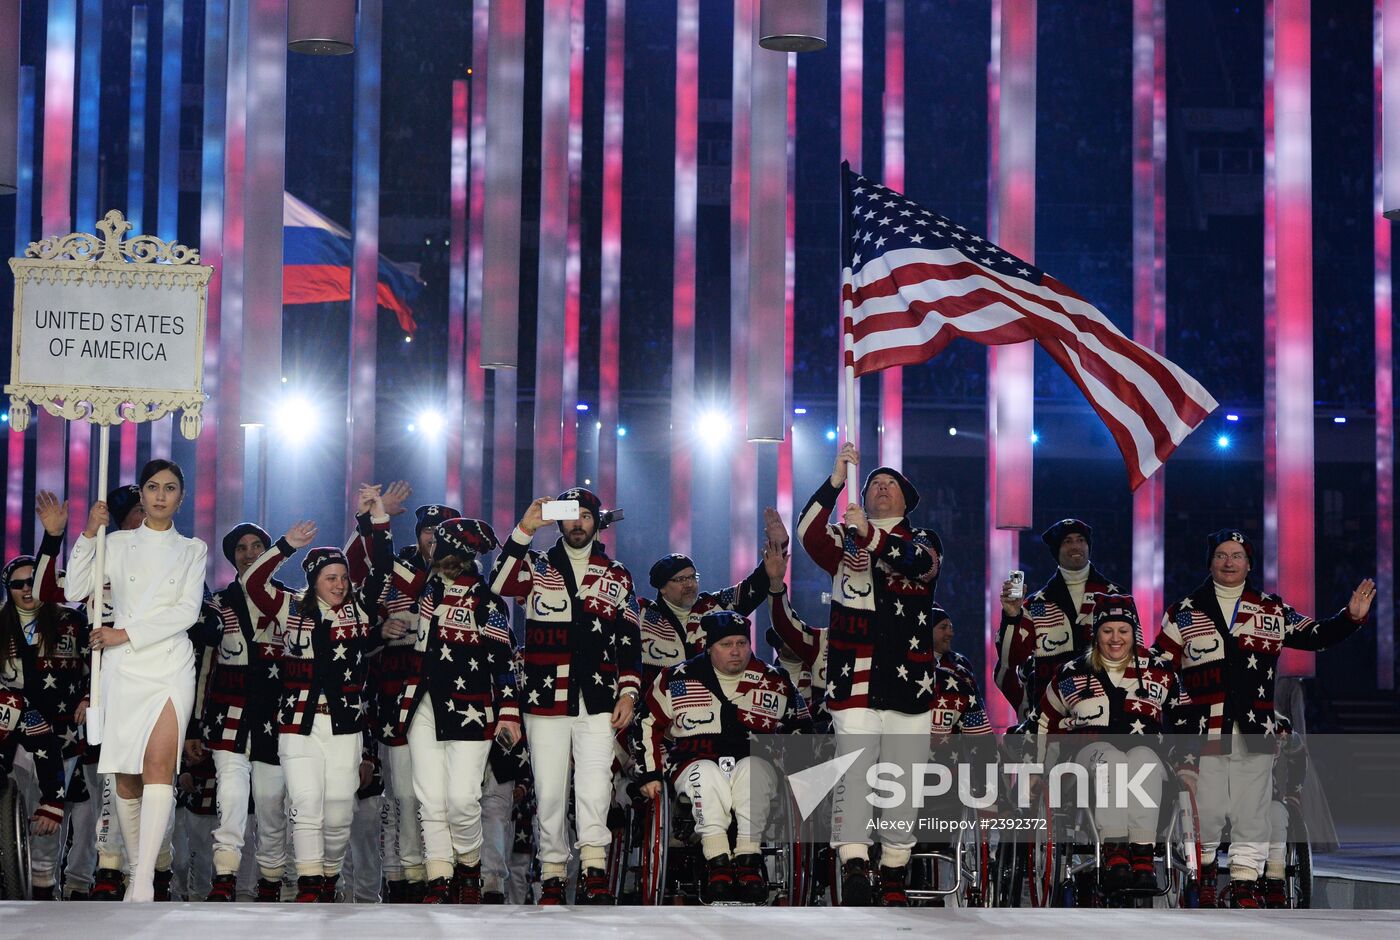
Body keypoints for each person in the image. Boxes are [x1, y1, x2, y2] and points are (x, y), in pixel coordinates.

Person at [1151, 529, 1374, 908]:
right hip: (1201, 731)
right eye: (1221, 555)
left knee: (1252, 811)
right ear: (1210, 561)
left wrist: (1349, 619)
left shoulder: (1270, 608)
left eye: (1237, 555)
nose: (1229, 562)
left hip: (1255, 730)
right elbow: (1160, 669)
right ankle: (1202, 878)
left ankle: (1242, 883)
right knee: (1207, 808)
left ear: (1249, 564)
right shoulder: (1183, 611)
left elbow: (1315, 635)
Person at [796, 443, 944, 905]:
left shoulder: (924, 540)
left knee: (902, 779)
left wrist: (874, 536)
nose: (880, 488)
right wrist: (835, 480)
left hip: (910, 682)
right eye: (872, 484)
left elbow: (920, 565)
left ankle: (895, 869)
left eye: (890, 485)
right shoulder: (844, 540)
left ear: (905, 501)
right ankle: (855, 862)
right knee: (854, 771)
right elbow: (806, 532)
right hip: (853, 676)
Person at [490, 486, 641, 904]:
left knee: (595, 786)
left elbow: (630, 639)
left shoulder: (617, 574)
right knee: (551, 790)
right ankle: (553, 872)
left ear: (596, 522)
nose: (578, 524)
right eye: (570, 516)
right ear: (558, 521)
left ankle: (594, 868)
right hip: (545, 697)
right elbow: (498, 583)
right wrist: (524, 529)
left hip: (598, 698)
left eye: (586, 517)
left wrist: (629, 691)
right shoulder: (537, 566)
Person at [66, 459, 208, 903]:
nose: (161, 495)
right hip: (124, 667)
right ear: (142, 495)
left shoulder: (193, 549)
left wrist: (123, 632)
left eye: (169, 488)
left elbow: (186, 611)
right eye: (152, 487)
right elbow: (74, 590)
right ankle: (133, 867)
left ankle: (145, 877)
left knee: (159, 767)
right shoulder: (118, 541)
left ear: (181, 498)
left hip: (168, 662)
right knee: (126, 777)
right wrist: (90, 532)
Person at [241, 486, 393, 902]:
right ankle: (310, 884)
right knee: (306, 802)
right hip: (297, 723)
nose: (341, 584)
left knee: (340, 808)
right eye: (331, 578)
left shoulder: (359, 610)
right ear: (313, 581)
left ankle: (328, 878)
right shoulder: (290, 608)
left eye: (343, 577)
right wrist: (286, 545)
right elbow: (251, 580)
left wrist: (377, 520)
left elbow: (383, 570)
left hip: (345, 725)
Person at [639, 610, 811, 904]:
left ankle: (748, 861)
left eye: (742, 643)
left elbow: (803, 730)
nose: (736, 651)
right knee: (706, 774)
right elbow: (646, 725)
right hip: (693, 762)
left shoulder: (776, 680)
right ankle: (717, 863)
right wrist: (652, 774)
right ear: (709, 647)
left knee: (753, 769)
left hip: (756, 763)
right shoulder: (675, 678)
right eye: (726, 644)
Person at [1034, 593, 1195, 893]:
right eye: (1107, 630)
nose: (1115, 638)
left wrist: (1187, 766)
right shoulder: (1072, 672)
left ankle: (1143, 857)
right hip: (1087, 759)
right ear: (1096, 633)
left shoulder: (1159, 670)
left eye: (1123, 630)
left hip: (1147, 758)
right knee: (1111, 758)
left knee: (1143, 757)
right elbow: (1043, 721)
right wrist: (1036, 769)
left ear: (1134, 632)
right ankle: (1116, 853)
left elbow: (1186, 720)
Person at [34, 485, 149, 900]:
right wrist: (56, 537)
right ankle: (98, 873)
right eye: (136, 511)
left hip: (150, 688)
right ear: (121, 520)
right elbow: (49, 592)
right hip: (100, 696)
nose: (144, 516)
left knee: (143, 786)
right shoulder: (104, 557)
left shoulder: (176, 556)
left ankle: (141, 870)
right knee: (103, 788)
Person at [404, 517, 521, 903]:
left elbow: (504, 662)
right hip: (424, 705)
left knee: (461, 799)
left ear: (457, 554)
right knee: (430, 798)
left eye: (439, 545)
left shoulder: (486, 602)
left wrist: (508, 713)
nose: (432, 551)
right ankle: (440, 875)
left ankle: (468, 867)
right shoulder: (428, 590)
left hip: (472, 708)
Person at [349, 489, 440, 903]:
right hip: (395, 695)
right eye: (428, 531)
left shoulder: (470, 582)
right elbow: (357, 580)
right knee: (403, 790)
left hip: (448, 699)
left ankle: (446, 870)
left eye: (444, 531)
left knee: (442, 791)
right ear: (418, 536)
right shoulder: (397, 573)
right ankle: (405, 875)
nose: (435, 538)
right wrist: (370, 521)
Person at [191, 522, 290, 901]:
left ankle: (270, 881)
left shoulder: (290, 602)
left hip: (276, 720)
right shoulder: (217, 604)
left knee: (270, 804)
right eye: (242, 548)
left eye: (258, 547)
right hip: (227, 716)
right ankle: (225, 877)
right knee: (230, 798)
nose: (250, 554)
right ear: (231, 557)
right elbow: (203, 670)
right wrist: (193, 729)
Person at [0, 549, 89, 899]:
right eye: (17, 584)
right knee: (15, 808)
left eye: (32, 581)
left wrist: (90, 698)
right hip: (13, 735)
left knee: (50, 815)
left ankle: (44, 890)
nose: (25, 589)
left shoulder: (72, 620)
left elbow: (96, 666)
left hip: (64, 731)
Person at [996, 519, 1124, 717]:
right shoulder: (1035, 605)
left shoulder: (1117, 597)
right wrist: (1012, 616)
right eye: (1067, 541)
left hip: (1108, 712)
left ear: (1088, 546)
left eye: (1081, 540)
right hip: (1054, 717)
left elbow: (1136, 654)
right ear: (1056, 550)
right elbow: (1011, 660)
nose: (1075, 546)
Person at [637, 540, 768, 688]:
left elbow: (751, 588)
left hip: (711, 705)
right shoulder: (643, 614)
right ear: (662, 588)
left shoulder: (713, 606)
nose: (689, 584)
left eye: (693, 577)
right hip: (656, 705)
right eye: (681, 579)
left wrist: (777, 549)